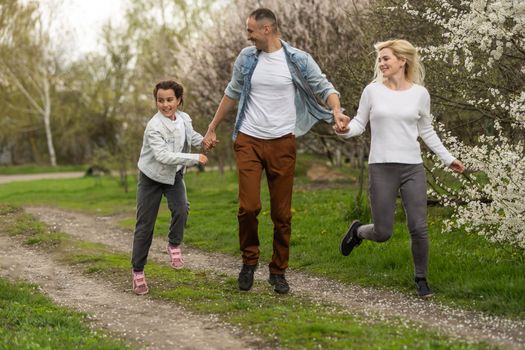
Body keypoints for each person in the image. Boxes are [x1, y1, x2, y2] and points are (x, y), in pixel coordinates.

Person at [202, 8, 350, 294]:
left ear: (266, 29)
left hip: (282, 142)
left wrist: (336, 110)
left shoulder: (297, 59)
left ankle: (278, 272)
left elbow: (324, 86)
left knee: (282, 214)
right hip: (249, 139)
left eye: (251, 31)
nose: (248, 36)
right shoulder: (246, 58)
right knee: (249, 207)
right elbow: (232, 92)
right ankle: (249, 262)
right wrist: (211, 127)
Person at [335, 39, 465, 298]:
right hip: (381, 167)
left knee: (418, 227)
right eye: (380, 59)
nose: (381, 63)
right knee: (383, 232)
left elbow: (426, 130)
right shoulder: (372, 91)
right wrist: (344, 129)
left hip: (412, 168)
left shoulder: (420, 94)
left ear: (402, 61)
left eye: (386, 59)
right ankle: (358, 231)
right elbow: (360, 124)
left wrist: (448, 158)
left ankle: (421, 279)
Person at [131, 80, 208, 295]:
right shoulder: (153, 126)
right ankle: (138, 272)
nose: (165, 105)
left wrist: (205, 142)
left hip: (174, 176)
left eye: (170, 100)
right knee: (145, 226)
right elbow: (163, 157)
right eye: (160, 100)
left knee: (182, 208)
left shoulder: (184, 119)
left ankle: (174, 245)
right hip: (151, 178)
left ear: (179, 100)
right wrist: (195, 158)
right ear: (156, 101)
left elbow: (191, 137)